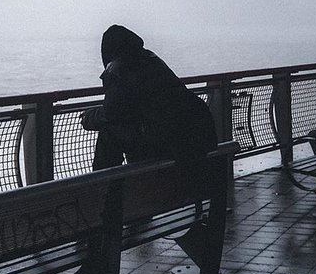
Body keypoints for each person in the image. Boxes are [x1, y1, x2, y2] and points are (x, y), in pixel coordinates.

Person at [80, 25, 217, 174]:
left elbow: (112, 113)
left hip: (167, 141)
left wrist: (89, 118)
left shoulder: (118, 68)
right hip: (196, 137)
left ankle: (102, 188)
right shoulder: (152, 60)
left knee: (109, 133)